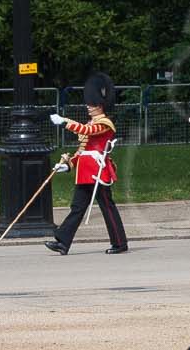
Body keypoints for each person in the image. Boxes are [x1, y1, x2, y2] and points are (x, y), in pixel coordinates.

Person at [45, 72, 129, 255]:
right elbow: (81, 152)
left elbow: (88, 130)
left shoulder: (105, 123)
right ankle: (63, 241)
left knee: (107, 207)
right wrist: (68, 166)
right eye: (89, 104)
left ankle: (120, 242)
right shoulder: (92, 122)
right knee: (77, 208)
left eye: (93, 105)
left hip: (98, 172)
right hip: (85, 172)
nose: (89, 107)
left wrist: (65, 122)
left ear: (102, 105)